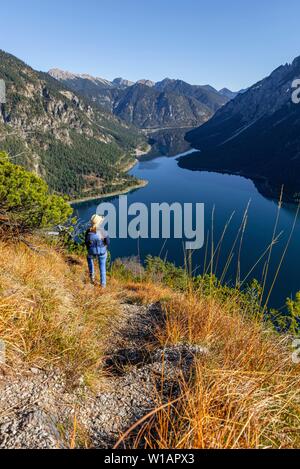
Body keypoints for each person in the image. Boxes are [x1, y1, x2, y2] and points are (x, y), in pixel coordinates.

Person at [85, 214, 110, 287]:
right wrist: (104, 246)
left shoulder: (88, 231)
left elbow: (86, 243)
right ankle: (103, 285)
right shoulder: (103, 231)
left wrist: (90, 250)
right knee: (102, 267)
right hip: (102, 252)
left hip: (91, 252)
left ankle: (92, 278)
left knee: (89, 259)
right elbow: (108, 242)